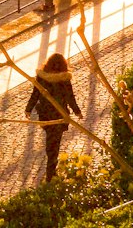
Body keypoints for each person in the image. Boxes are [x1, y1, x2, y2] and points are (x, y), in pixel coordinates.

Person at [25, 53, 82, 181]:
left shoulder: (41, 78)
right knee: (54, 142)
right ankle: (51, 171)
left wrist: (28, 108)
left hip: (45, 115)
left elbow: (35, 94)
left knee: (51, 140)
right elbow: (69, 97)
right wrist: (77, 111)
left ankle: (51, 166)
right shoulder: (64, 79)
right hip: (59, 115)